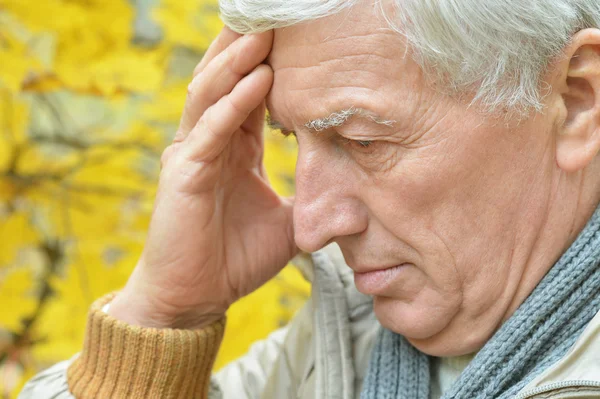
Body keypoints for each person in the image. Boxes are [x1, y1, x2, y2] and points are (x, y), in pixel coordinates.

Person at [19, 0, 600, 398]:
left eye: (362, 140)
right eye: (293, 138)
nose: (310, 226)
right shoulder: (340, 340)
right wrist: (164, 312)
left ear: (576, 101)